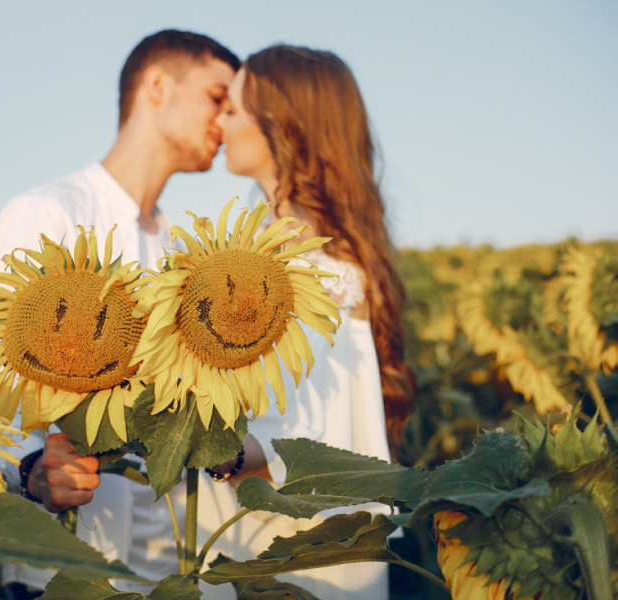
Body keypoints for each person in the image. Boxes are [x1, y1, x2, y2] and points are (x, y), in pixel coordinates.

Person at [0, 29, 239, 598]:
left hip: (166, 563)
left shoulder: (182, 250)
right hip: (63, 566)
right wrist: (33, 470)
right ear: (157, 85)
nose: (227, 119)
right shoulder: (48, 213)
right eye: (218, 97)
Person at [197, 44, 416, 599]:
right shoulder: (316, 240)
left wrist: (205, 445)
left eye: (233, 108)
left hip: (286, 543)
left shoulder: (293, 254)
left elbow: (306, 432)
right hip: (302, 533)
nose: (220, 122)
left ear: (282, 124)